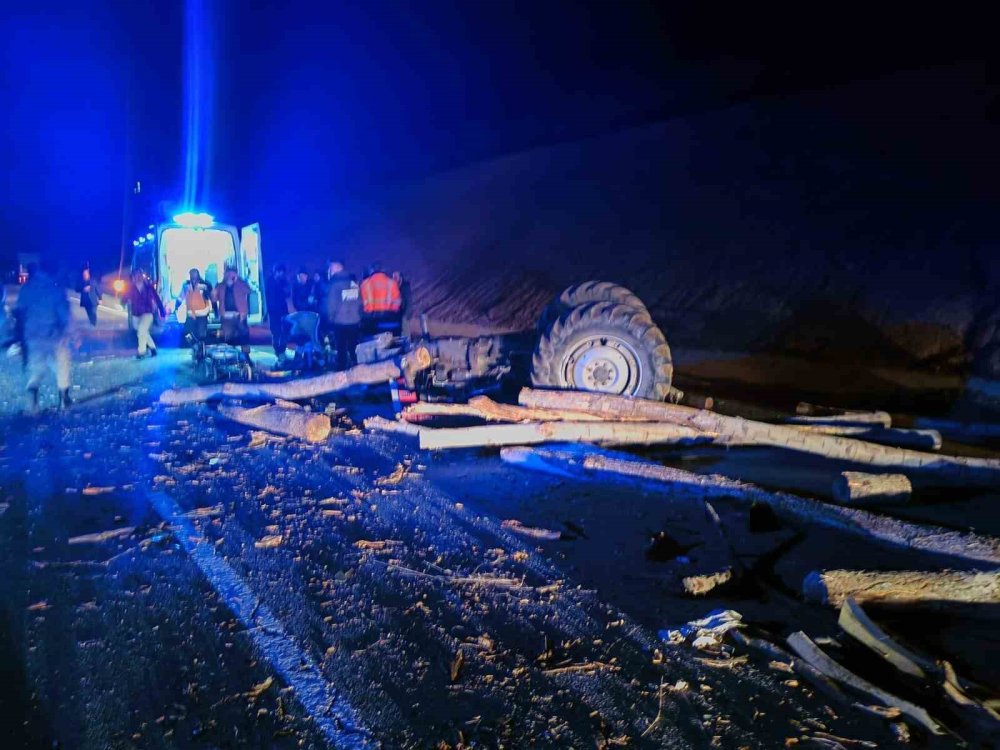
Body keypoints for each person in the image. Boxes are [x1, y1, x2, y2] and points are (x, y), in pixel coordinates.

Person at [15, 261, 72, 410]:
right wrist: (70, 332)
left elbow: (20, 312)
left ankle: (32, 399)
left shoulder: (26, 288)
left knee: (36, 367)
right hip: (53, 335)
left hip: (32, 336)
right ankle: (64, 398)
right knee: (62, 363)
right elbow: (64, 314)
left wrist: (20, 337)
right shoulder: (55, 288)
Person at [324, 260, 362, 370]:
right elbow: (359, 301)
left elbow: (332, 303)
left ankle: (341, 372)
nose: (329, 271)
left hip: (340, 322)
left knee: (341, 349)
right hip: (354, 320)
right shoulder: (352, 281)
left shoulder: (334, 283)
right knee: (354, 347)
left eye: (331, 268)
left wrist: (331, 317)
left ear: (337, 267)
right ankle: (358, 369)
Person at [211, 266, 252, 361]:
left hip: (240, 315)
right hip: (226, 316)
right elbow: (214, 298)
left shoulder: (241, 284)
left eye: (232, 273)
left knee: (244, 335)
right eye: (228, 273)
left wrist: (237, 281)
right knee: (228, 336)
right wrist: (213, 294)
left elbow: (248, 290)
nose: (230, 275)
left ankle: (246, 357)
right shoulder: (220, 285)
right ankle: (230, 357)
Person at [125, 269, 166, 359]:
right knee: (142, 332)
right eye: (135, 276)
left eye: (139, 275)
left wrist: (162, 311)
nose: (137, 277)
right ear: (133, 278)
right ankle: (152, 348)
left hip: (147, 312)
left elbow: (157, 298)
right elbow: (125, 298)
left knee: (141, 331)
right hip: (135, 314)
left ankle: (142, 352)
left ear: (142, 276)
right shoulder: (131, 288)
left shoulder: (148, 287)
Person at [176, 268, 213, 357]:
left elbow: (210, 296)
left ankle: (201, 350)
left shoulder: (204, 285)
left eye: (194, 273)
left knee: (201, 334)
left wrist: (205, 289)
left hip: (202, 313)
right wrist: (176, 307)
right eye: (191, 273)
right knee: (186, 332)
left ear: (198, 274)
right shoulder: (186, 286)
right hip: (190, 314)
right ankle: (195, 346)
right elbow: (180, 298)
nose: (193, 275)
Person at [359, 262, 402, 335]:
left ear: (371, 270)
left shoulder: (365, 284)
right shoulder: (392, 283)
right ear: (383, 270)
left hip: (371, 320)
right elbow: (397, 302)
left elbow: (361, 303)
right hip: (389, 318)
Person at [264, 263, 292, 362]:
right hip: (273, 311)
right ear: (276, 272)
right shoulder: (269, 282)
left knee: (285, 330)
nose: (282, 274)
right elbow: (268, 297)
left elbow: (287, 294)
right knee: (276, 332)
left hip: (283, 310)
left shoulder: (283, 282)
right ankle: (278, 352)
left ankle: (282, 351)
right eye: (281, 272)